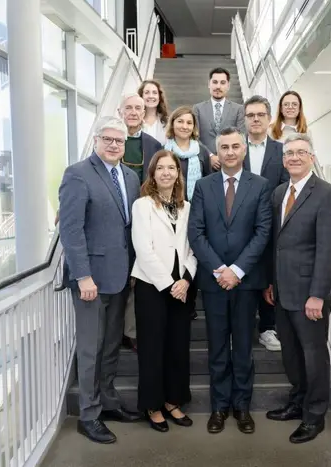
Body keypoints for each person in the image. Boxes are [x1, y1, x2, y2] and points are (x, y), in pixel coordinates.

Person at [58, 116, 142, 444]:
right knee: (91, 349)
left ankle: (107, 402)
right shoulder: (78, 174)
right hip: (91, 281)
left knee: (110, 347)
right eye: (107, 139)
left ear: (124, 144)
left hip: (121, 277)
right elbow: (71, 229)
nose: (113, 145)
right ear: (96, 140)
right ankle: (88, 415)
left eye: (118, 141)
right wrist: (82, 276)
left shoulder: (131, 177)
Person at [188, 127, 272, 435]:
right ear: (217, 152)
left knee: (244, 348)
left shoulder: (261, 186)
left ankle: (242, 407)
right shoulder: (202, 186)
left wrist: (236, 271)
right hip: (213, 282)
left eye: (236, 146)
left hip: (246, 282)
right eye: (224, 147)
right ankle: (219, 407)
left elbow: (263, 232)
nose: (231, 152)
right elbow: (196, 233)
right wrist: (219, 269)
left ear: (244, 150)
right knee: (218, 347)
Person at [263, 133, 331, 444]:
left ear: (312, 157)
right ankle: (297, 402)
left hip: (310, 294)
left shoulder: (327, 194)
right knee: (292, 355)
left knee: (313, 355)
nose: (294, 158)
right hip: (283, 290)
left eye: (300, 152)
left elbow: (328, 249)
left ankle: (314, 415)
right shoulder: (280, 192)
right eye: (289, 154)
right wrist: (272, 281)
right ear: (283, 161)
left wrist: (317, 295)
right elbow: (278, 244)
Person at [131, 150, 197, 433]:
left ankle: (173, 400)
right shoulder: (142, 205)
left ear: (179, 174)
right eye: (161, 168)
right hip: (151, 284)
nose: (167, 172)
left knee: (178, 348)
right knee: (152, 348)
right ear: (153, 174)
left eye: (172, 168)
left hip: (182, 286)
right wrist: (169, 284)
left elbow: (193, 247)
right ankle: (153, 405)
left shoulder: (188, 207)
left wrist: (186, 279)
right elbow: (143, 249)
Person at [242, 95, 288, 352]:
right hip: (240, 226)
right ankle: (242, 327)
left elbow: (284, 187)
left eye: (261, 114)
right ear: (244, 119)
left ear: (269, 119)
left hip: (272, 225)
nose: (256, 119)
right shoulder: (236, 147)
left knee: (270, 274)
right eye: (251, 115)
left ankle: (268, 328)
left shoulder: (282, 151)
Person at [118, 93, 163, 351]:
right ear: (120, 111)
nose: (134, 112)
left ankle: (133, 331)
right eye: (129, 108)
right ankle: (119, 330)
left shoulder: (153, 144)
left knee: (140, 273)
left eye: (138, 108)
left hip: (145, 218)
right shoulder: (111, 139)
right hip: (117, 220)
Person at [164, 105, 211, 320]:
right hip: (170, 212)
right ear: (172, 124)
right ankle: (174, 297)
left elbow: (210, 181)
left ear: (194, 128)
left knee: (193, 255)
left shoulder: (202, 151)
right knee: (176, 255)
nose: (184, 125)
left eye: (189, 122)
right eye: (180, 121)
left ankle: (190, 301)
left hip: (197, 211)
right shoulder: (164, 150)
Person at [193, 67, 245, 172]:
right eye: (215, 82)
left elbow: (241, 137)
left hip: (231, 164)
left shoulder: (238, 109)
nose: (218, 86)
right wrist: (210, 156)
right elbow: (194, 137)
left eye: (222, 82)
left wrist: (226, 155)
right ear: (209, 84)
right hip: (205, 164)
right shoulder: (197, 109)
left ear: (228, 85)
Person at [139, 79, 169, 144]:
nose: (151, 96)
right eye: (147, 92)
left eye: (154, 93)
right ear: (141, 96)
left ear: (159, 97)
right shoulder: (134, 121)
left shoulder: (167, 122)